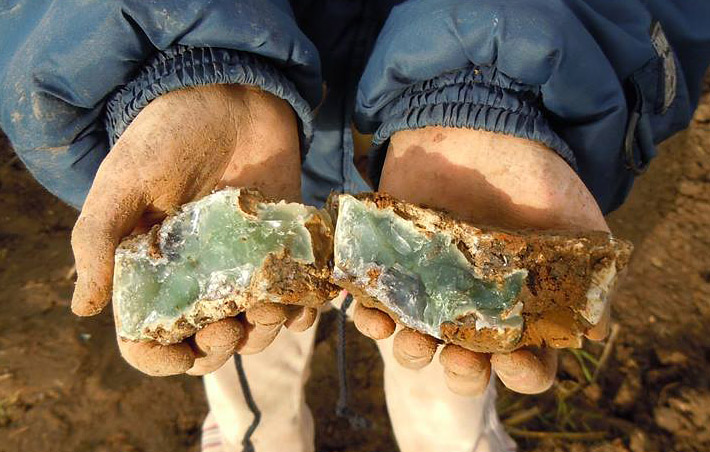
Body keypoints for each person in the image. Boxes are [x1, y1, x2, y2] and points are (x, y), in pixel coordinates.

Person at [1, 1, 709, 451]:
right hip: (256, 152)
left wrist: (497, 78)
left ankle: (454, 440)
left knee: (443, 347)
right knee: (253, 333)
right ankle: (254, 437)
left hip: (458, 152)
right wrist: (177, 60)